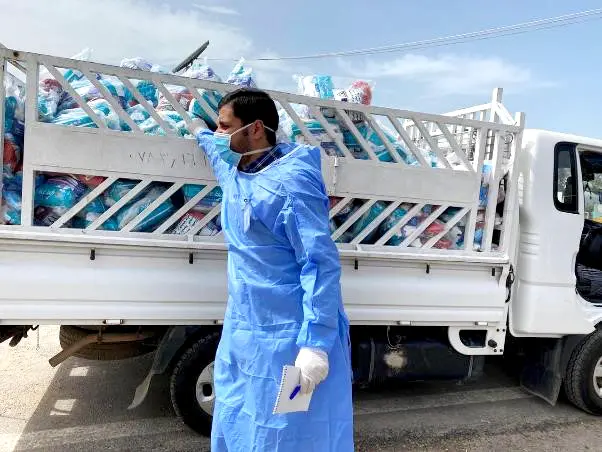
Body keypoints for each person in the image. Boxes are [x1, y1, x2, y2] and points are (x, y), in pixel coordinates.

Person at [192, 88, 354, 451]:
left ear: (256, 128)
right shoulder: (238, 171)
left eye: (225, 126)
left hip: (290, 341)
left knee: (289, 429)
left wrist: (315, 344)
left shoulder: (291, 183)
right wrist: (201, 131)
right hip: (245, 334)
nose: (220, 135)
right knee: (238, 416)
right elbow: (215, 153)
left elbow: (320, 263)